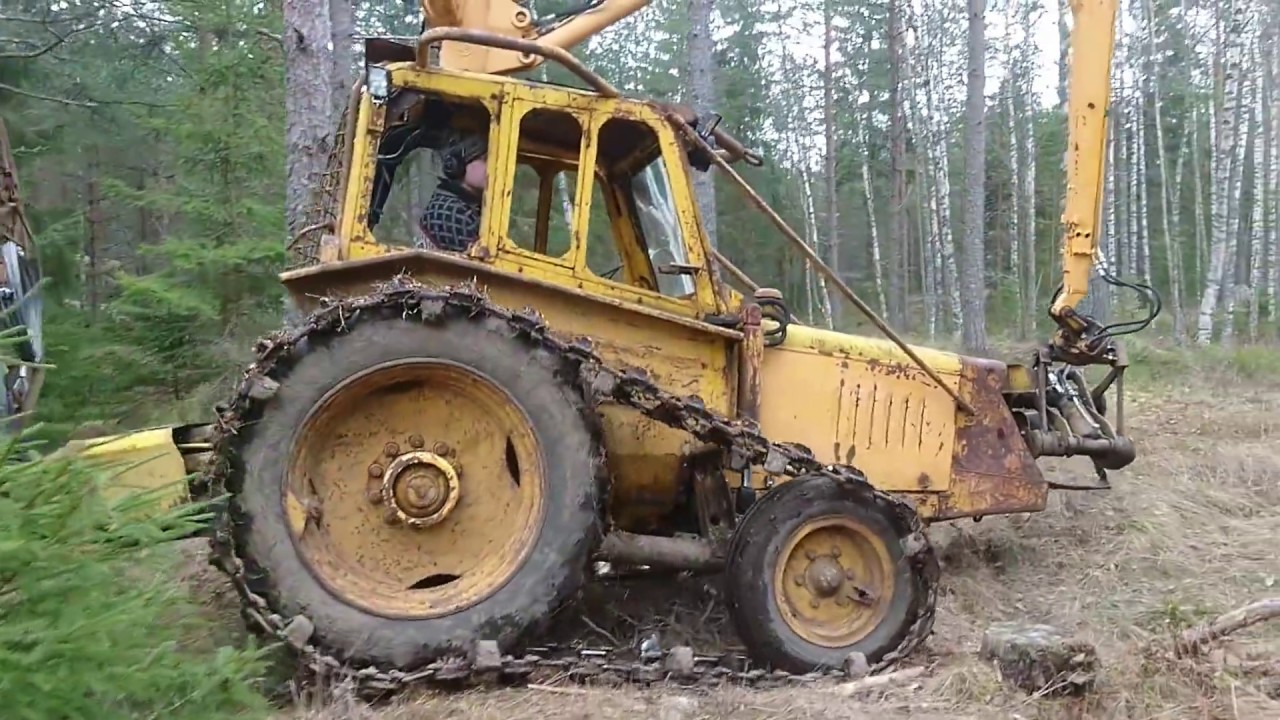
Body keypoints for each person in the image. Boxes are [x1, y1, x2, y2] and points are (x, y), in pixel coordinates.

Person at [418, 131, 488, 252]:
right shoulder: (452, 211)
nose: (493, 166)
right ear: (457, 165)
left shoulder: (464, 205)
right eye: (484, 159)